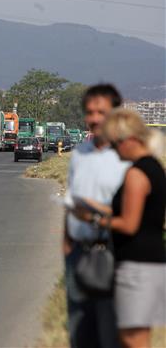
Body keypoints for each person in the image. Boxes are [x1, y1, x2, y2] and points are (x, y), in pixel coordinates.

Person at [72, 109, 166, 348]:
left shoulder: (137, 174)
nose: (114, 151)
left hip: (136, 264)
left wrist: (92, 218)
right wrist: (98, 207)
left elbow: (129, 223)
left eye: (115, 144)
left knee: (131, 338)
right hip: (150, 261)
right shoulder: (154, 168)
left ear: (130, 140)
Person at [63, 84, 129, 348]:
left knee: (110, 333)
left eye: (101, 112)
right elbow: (70, 201)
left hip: (114, 253)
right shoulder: (80, 153)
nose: (94, 118)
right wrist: (67, 247)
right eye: (89, 112)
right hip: (78, 254)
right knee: (81, 332)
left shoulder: (127, 158)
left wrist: (93, 216)